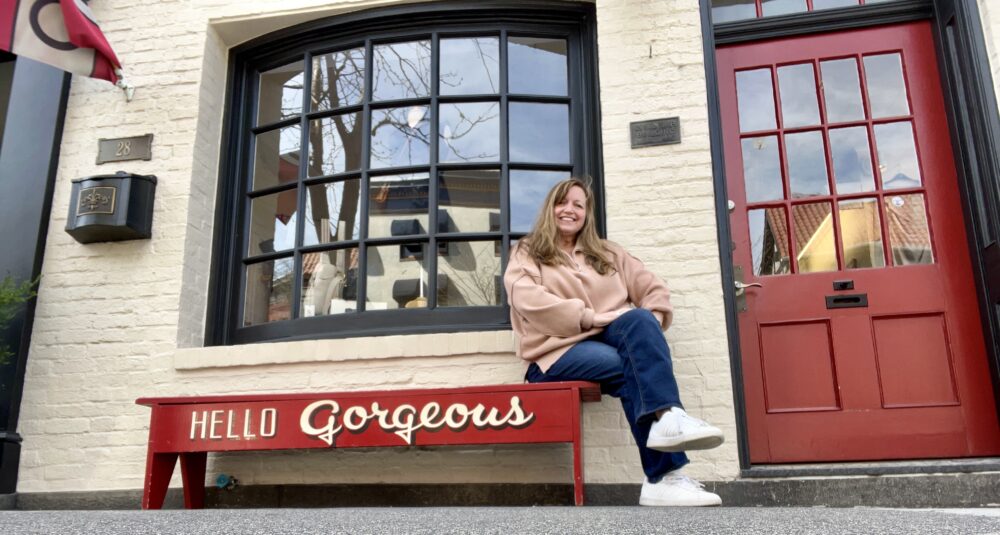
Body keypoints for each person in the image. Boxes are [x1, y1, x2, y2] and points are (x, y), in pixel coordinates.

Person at [503, 178, 725, 507]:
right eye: (562, 203)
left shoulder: (608, 253)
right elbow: (528, 301)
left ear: (587, 213)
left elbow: (653, 289)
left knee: (638, 322)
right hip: (554, 354)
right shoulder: (527, 252)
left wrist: (651, 325)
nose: (570, 210)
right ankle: (663, 474)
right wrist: (589, 318)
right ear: (550, 208)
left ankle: (668, 429)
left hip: (614, 340)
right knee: (632, 368)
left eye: (579, 205)